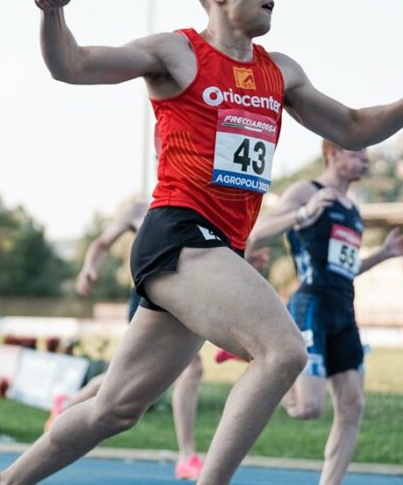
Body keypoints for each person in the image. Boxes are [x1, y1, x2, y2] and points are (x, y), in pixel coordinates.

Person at [0, 0, 403, 485]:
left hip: (213, 252)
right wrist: (52, 14)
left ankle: (2, 483)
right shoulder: (178, 52)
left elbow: (354, 127)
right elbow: (73, 65)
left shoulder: (282, 73)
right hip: (178, 232)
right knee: (283, 351)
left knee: (115, 408)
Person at [54, 199, 269, 480]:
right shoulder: (136, 208)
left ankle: (69, 403)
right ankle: (187, 455)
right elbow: (102, 243)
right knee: (182, 371)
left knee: (129, 379)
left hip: (188, 289)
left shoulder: (199, 199)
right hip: (150, 293)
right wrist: (89, 268)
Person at [247, 141, 403, 484]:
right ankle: (268, 365)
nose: (365, 158)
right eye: (357, 151)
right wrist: (304, 214)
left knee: (352, 405)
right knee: (310, 408)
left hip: (343, 311)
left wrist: (383, 254)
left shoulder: (353, 209)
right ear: (332, 153)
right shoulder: (306, 191)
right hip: (311, 305)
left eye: (367, 153)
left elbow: (344, 268)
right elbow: (256, 234)